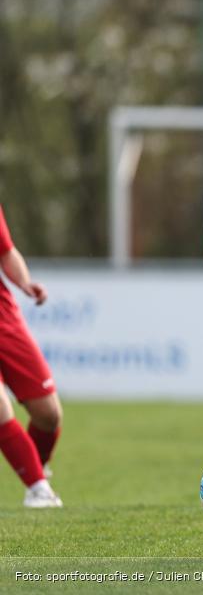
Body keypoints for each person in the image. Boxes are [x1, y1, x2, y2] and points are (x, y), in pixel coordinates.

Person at [0, 204, 64, 508]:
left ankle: (34, 469)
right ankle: (39, 489)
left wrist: (24, 282)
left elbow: (6, 251)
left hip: (5, 319)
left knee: (48, 415)